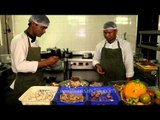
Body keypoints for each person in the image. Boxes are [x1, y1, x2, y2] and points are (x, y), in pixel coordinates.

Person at [10, 15, 59, 99]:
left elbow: (32, 61)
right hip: (25, 86)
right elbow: (19, 66)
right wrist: (45, 62)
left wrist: (46, 63)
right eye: (43, 28)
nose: (44, 31)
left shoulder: (35, 41)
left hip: (36, 82)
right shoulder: (19, 40)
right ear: (33, 24)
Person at [92, 21, 134, 85]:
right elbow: (95, 59)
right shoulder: (100, 45)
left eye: (109, 32)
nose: (107, 35)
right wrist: (97, 66)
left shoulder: (125, 45)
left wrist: (128, 81)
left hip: (120, 81)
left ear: (116, 31)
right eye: (105, 33)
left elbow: (129, 63)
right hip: (104, 80)